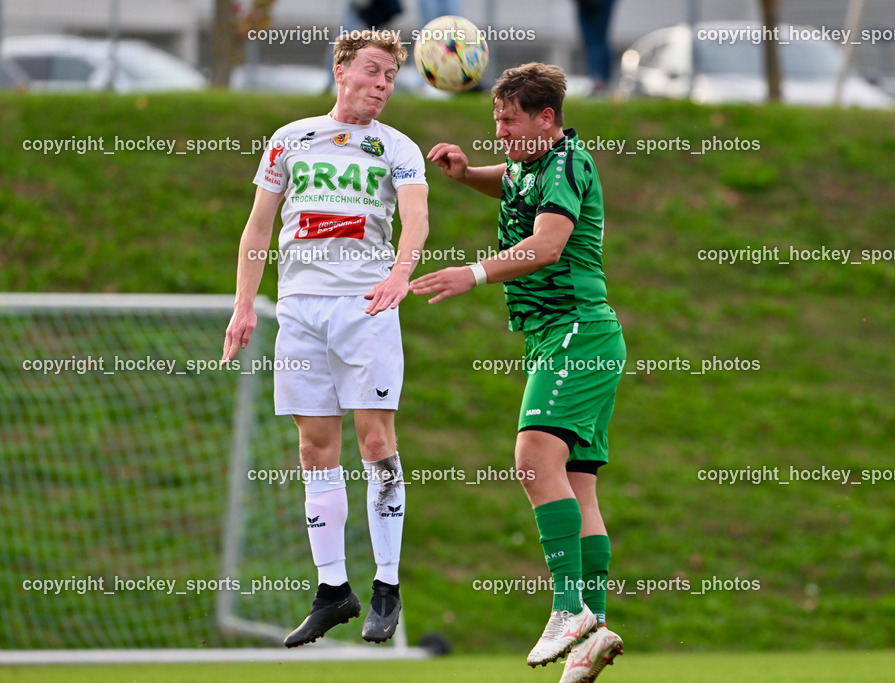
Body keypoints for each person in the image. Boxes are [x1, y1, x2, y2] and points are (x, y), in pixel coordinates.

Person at [410, 62, 624, 682]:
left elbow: (548, 244)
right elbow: (513, 181)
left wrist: (471, 273)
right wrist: (466, 174)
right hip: (569, 336)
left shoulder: (566, 162)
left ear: (546, 119)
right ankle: (594, 631)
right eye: (495, 123)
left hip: (575, 332)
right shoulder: (536, 163)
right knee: (576, 486)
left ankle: (567, 609)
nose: (500, 134)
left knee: (532, 457)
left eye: (508, 123)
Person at [222, 29, 429, 648]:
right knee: (316, 449)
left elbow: (416, 217)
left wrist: (400, 272)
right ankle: (333, 591)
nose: (382, 85)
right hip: (300, 310)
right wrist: (243, 307)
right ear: (341, 70)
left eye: (390, 77)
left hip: (365, 307)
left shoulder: (398, 148)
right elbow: (258, 225)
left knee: (375, 441)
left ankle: (387, 586)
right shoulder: (289, 139)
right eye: (372, 71)